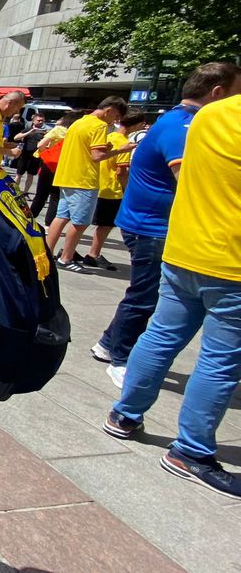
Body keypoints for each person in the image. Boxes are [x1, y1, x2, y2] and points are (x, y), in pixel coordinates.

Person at [101, 93, 241, 500]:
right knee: (219, 360)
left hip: (184, 247)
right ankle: (191, 451)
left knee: (161, 334)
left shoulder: (211, 114)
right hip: (231, 260)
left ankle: (124, 414)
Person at [92, 62, 241, 387]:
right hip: (151, 226)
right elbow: (191, 181)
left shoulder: (180, 122)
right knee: (145, 296)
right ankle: (121, 357)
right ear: (217, 93)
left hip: (151, 224)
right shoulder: (184, 126)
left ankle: (108, 343)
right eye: (235, 94)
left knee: (146, 293)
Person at [45, 97, 133, 272]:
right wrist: (120, 150)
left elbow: (89, 151)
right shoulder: (99, 125)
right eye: (115, 117)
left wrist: (106, 150)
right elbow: (96, 157)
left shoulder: (79, 122)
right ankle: (66, 257)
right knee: (80, 221)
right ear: (109, 111)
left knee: (61, 216)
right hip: (83, 179)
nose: (114, 121)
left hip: (67, 176)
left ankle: (47, 253)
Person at [84, 112, 146, 275]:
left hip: (99, 184)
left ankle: (89, 251)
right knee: (105, 225)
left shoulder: (109, 136)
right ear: (136, 125)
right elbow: (121, 171)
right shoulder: (124, 143)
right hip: (112, 189)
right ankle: (94, 253)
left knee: (94, 222)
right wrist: (127, 190)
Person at [29, 111, 76, 225]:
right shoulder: (75, 132)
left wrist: (48, 152)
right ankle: (48, 224)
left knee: (41, 194)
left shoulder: (58, 129)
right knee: (55, 196)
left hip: (50, 163)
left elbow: (40, 145)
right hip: (65, 165)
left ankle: (29, 219)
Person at [13, 113, 47, 195]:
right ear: (34, 121)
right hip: (25, 156)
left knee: (30, 175)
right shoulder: (27, 129)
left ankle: (25, 192)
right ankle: (14, 191)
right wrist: (30, 132)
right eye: (38, 120)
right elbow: (16, 137)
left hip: (36, 157)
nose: (40, 122)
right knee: (19, 174)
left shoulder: (44, 132)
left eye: (42, 120)